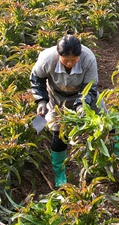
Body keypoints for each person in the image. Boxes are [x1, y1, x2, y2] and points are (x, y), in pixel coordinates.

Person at [30, 33, 100, 186]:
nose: (69, 63)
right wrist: (41, 101)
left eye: (74, 60)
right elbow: (37, 80)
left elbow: (90, 87)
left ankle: (114, 156)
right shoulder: (47, 59)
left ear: (79, 56)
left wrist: (82, 105)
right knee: (58, 132)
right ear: (58, 54)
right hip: (57, 96)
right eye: (66, 60)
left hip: (84, 94)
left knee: (104, 124)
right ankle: (59, 173)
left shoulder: (88, 59)